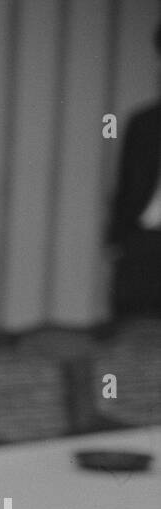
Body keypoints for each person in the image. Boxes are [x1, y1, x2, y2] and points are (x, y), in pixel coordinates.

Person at [107, 22, 161, 319]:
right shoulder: (143, 124)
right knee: (130, 338)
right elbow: (125, 188)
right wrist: (117, 243)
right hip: (143, 245)